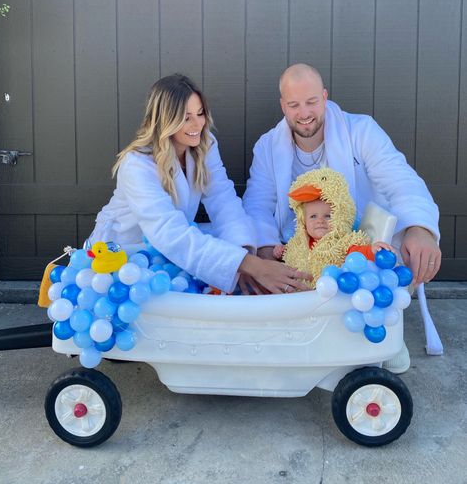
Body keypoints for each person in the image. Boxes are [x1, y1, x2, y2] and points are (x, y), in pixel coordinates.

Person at [242, 64, 441, 371]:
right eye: (294, 105)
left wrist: (420, 228)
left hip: (357, 245)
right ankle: (321, 332)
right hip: (304, 248)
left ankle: (384, 326)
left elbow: (401, 180)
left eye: (311, 102)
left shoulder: (361, 130)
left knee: (396, 245)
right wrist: (267, 251)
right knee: (268, 262)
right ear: (283, 106)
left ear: (324, 97)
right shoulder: (268, 146)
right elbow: (256, 204)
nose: (304, 113)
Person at [89, 73, 310, 295]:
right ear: (165, 120)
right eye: (186, 118)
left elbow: (223, 201)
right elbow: (169, 232)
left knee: (228, 250)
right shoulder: (137, 165)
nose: (198, 124)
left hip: (166, 253)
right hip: (121, 254)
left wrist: (245, 256)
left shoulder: (204, 145)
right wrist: (250, 265)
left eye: (200, 113)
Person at [272, 168, 394, 288]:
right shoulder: (299, 242)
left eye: (328, 216)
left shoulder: (341, 244)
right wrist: (283, 251)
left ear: (339, 217)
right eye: (313, 216)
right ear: (303, 221)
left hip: (324, 296)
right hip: (297, 293)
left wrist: (372, 250)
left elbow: (357, 254)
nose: (320, 221)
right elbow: (292, 254)